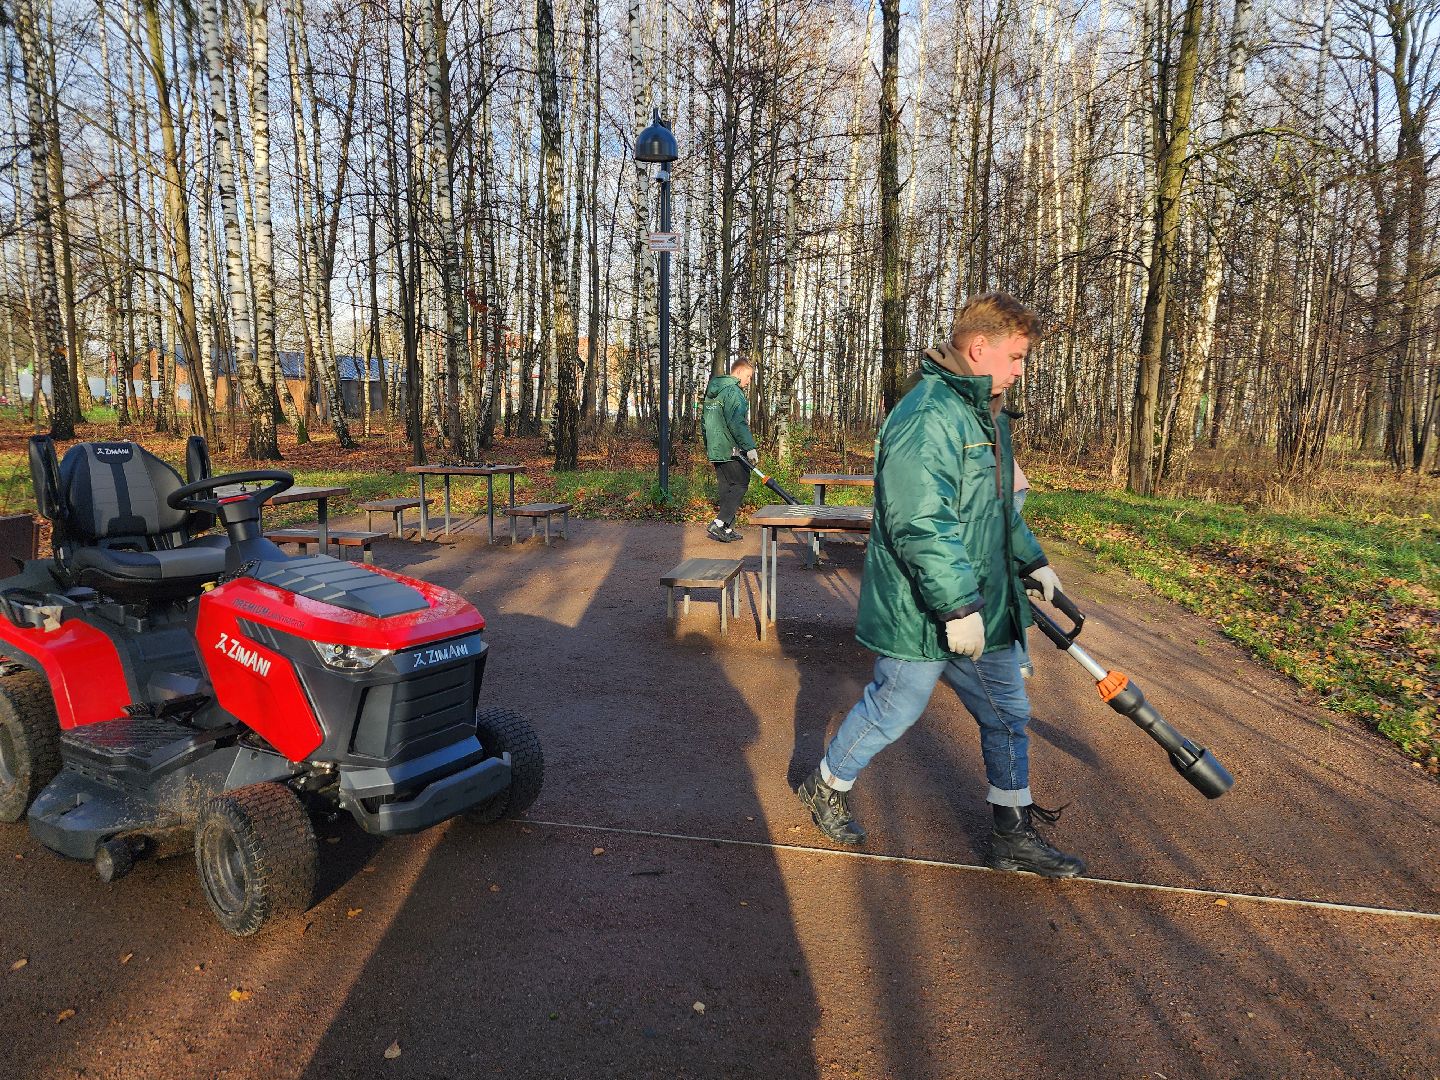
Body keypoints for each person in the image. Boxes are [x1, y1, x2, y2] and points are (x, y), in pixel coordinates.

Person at [796, 292, 1085, 877]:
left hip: (984, 600)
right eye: (1017, 357)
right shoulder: (927, 416)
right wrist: (956, 606)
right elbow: (919, 520)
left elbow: (996, 506)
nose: (1021, 370)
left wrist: (1032, 562)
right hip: (924, 607)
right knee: (896, 706)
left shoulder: (985, 411)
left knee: (1007, 713)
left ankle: (1013, 832)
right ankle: (827, 783)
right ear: (979, 349)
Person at [702, 360, 758, 543]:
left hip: (716, 447)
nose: (749, 381)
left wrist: (709, 445)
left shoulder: (712, 393)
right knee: (741, 482)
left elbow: (705, 423)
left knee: (727, 487)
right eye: (748, 376)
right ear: (740, 372)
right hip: (730, 447)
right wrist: (749, 447)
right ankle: (719, 523)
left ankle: (726, 529)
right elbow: (737, 422)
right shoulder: (733, 391)